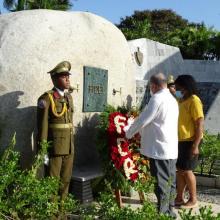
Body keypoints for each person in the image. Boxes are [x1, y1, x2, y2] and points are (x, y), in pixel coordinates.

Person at [125, 73, 179, 217]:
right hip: (171, 149)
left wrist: (128, 133)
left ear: (153, 86)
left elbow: (143, 120)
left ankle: (163, 214)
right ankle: (170, 210)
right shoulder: (172, 99)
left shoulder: (157, 99)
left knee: (162, 183)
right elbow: (157, 123)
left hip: (159, 149)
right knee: (170, 182)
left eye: (151, 87)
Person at [37, 61, 74, 201]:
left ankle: (62, 212)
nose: (67, 79)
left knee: (65, 182)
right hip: (54, 149)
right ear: (54, 79)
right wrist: (42, 150)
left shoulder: (68, 97)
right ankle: (51, 215)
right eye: (63, 76)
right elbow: (42, 126)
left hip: (69, 148)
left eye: (68, 76)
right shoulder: (46, 98)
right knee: (52, 183)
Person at [174, 75, 204, 209]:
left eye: (179, 86)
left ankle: (193, 199)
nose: (178, 89)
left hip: (191, 140)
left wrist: (196, 145)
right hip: (181, 140)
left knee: (187, 171)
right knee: (180, 171)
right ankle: (179, 197)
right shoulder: (181, 100)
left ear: (186, 86)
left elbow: (199, 124)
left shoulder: (194, 100)